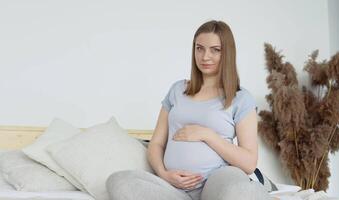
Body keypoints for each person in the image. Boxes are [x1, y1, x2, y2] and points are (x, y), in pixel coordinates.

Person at [106, 20, 272, 200]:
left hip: (217, 180)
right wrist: (163, 173)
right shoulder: (177, 90)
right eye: (199, 48)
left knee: (240, 192)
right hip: (172, 186)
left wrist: (207, 134)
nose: (205, 56)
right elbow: (156, 144)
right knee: (119, 181)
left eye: (215, 50)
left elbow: (248, 163)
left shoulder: (240, 98)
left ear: (227, 53)